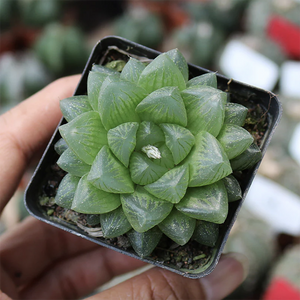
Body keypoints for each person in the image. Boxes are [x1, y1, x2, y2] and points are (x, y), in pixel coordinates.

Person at [0, 76, 248, 300]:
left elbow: (212, 157)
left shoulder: (198, 127)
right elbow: (83, 146)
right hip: (131, 191)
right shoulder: (104, 165)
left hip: (181, 182)